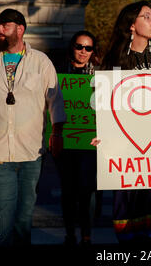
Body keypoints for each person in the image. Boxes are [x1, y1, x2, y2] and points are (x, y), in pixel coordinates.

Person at [0, 8, 66, 246]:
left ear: (20, 29)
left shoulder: (41, 62)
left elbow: (55, 100)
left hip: (31, 153)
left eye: (4, 25)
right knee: (1, 213)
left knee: (23, 218)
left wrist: (57, 133)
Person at [99, 0, 151, 244]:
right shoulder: (114, 57)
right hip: (126, 151)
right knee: (129, 214)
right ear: (132, 25)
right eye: (147, 17)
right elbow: (102, 104)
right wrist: (103, 133)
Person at [53, 30, 99, 246]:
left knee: (88, 190)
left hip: (91, 142)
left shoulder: (100, 75)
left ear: (93, 51)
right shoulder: (57, 72)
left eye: (88, 48)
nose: (83, 51)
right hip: (65, 139)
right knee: (68, 190)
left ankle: (87, 234)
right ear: (72, 47)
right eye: (79, 46)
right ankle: (70, 233)